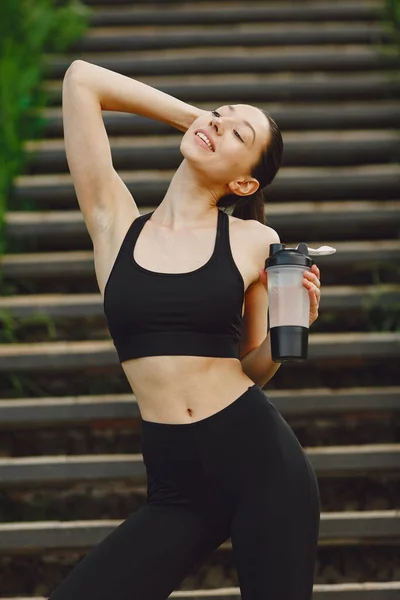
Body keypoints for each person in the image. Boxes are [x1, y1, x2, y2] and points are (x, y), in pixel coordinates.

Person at [49, 60, 322, 600]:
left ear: (244, 182)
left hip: (261, 466)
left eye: (236, 132)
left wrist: (292, 330)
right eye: (218, 114)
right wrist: (196, 119)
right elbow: (82, 79)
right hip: (178, 485)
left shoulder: (253, 239)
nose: (218, 124)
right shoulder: (114, 224)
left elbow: (251, 370)